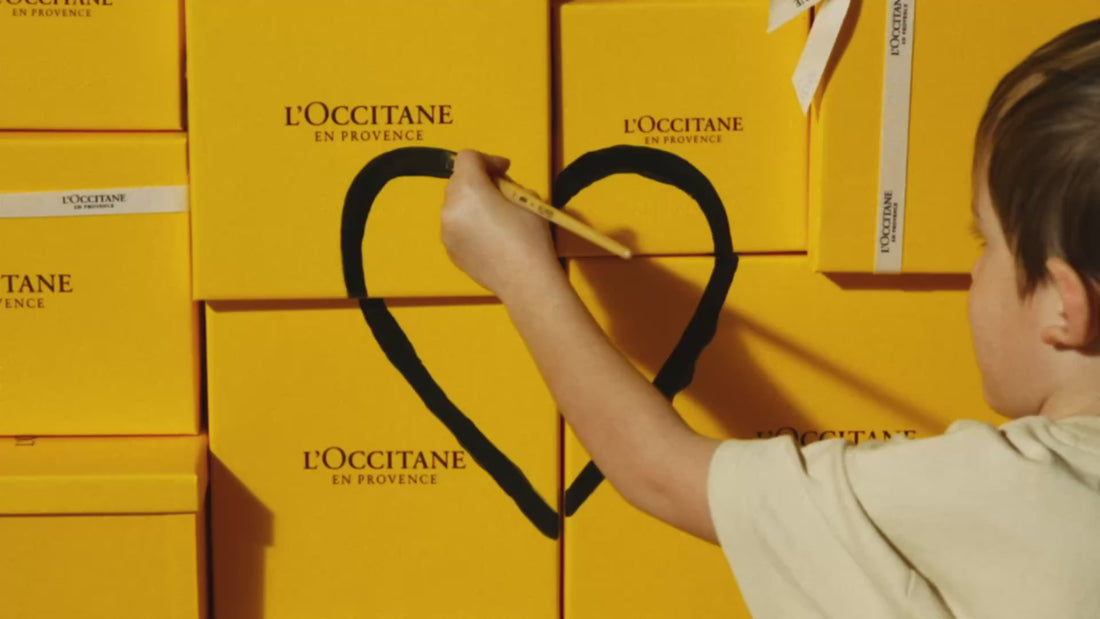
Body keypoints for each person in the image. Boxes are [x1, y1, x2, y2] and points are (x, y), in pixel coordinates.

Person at [439, 19, 1100, 618]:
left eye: (983, 241)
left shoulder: (1004, 487)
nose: (973, 271)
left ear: (1062, 304)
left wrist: (517, 271)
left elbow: (662, 473)